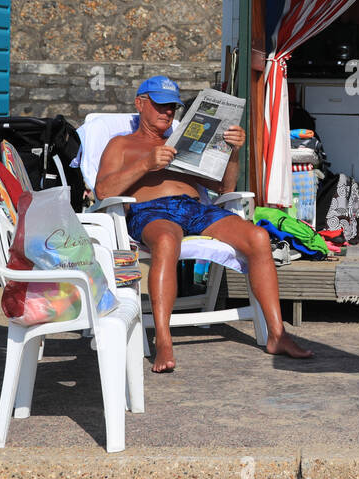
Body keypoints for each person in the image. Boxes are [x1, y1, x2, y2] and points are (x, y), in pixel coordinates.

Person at [96, 76, 312, 370]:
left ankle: (277, 334)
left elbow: (224, 187)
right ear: (140, 104)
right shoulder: (121, 145)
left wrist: (233, 151)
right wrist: (147, 163)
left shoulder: (184, 142)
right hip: (151, 211)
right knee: (166, 241)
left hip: (195, 208)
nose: (167, 112)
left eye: (172, 107)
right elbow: (104, 191)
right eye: (160, 105)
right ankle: (163, 339)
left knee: (259, 238)